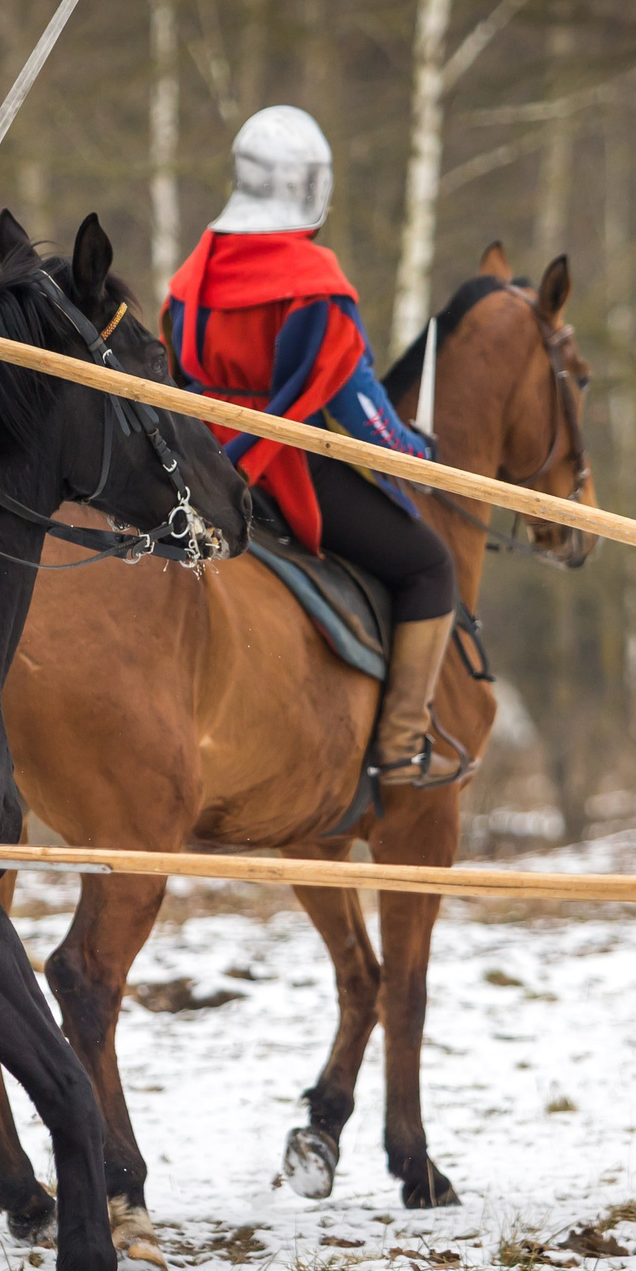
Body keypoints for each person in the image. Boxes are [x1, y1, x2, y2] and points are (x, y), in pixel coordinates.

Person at [161, 105, 462, 787]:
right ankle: (400, 746)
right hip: (277, 464)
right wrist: (417, 457)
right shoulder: (313, 281)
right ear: (311, 185)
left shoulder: (194, 273)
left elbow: (175, 371)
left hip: (199, 463)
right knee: (429, 566)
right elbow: (359, 409)